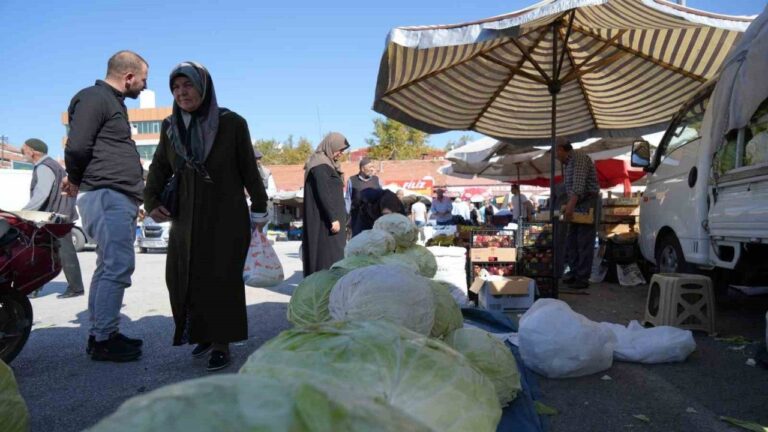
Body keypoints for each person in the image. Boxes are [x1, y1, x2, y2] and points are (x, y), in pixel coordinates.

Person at [144, 61, 268, 372]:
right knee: (185, 277)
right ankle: (201, 332)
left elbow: (248, 169)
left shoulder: (231, 123)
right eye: (176, 87)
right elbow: (159, 166)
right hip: (186, 216)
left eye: (188, 85)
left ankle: (222, 342)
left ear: (203, 87)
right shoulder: (170, 126)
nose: (181, 92)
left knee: (221, 279)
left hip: (225, 214)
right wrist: (151, 200)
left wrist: (260, 206)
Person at [63, 50, 147, 362]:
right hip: (106, 194)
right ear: (128, 77)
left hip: (114, 195)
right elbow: (78, 145)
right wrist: (74, 177)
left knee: (107, 265)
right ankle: (104, 338)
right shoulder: (96, 97)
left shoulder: (110, 102)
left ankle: (101, 332)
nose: (143, 85)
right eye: (142, 79)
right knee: (117, 266)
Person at [21, 138, 85, 299]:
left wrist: (23, 213)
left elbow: (42, 193)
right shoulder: (53, 165)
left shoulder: (44, 167)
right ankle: (36, 287)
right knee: (47, 251)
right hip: (60, 215)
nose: (23, 153)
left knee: (54, 251)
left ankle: (75, 288)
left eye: (24, 150)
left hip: (54, 217)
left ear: (33, 151)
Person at [302, 133, 349, 276]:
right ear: (331, 146)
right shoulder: (320, 165)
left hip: (331, 221)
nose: (341, 153)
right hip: (326, 224)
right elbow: (324, 192)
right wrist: (333, 217)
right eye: (339, 149)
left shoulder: (327, 164)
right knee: (327, 258)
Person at [556, 138, 599, 289]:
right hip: (577, 202)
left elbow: (579, 186)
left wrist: (570, 205)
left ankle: (582, 277)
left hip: (586, 201)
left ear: (561, 149)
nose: (556, 156)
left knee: (584, 241)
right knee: (572, 240)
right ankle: (574, 273)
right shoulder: (568, 164)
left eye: (556, 152)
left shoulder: (579, 158)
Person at [345, 157, 382, 236]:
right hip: (358, 220)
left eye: (373, 167)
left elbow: (382, 198)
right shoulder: (352, 180)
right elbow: (348, 200)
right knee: (359, 243)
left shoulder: (377, 180)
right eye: (370, 167)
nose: (372, 169)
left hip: (375, 220)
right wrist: (346, 219)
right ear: (362, 169)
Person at [254, 150, 277, 233]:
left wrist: (260, 193)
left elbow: (273, 191)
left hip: (263, 209)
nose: (258, 161)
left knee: (262, 235)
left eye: (259, 158)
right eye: (256, 158)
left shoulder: (267, 172)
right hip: (248, 209)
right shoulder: (242, 170)